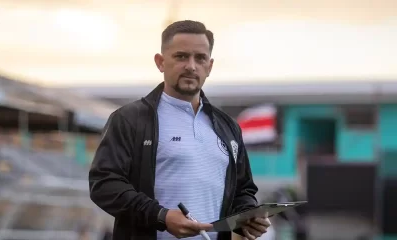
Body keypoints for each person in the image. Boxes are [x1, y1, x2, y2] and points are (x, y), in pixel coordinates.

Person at [89, 20, 271, 240]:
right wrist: (161, 216)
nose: (191, 66)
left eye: (200, 58)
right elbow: (104, 184)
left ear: (210, 66)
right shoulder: (129, 119)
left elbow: (243, 190)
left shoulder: (228, 126)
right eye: (181, 56)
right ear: (160, 62)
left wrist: (246, 217)